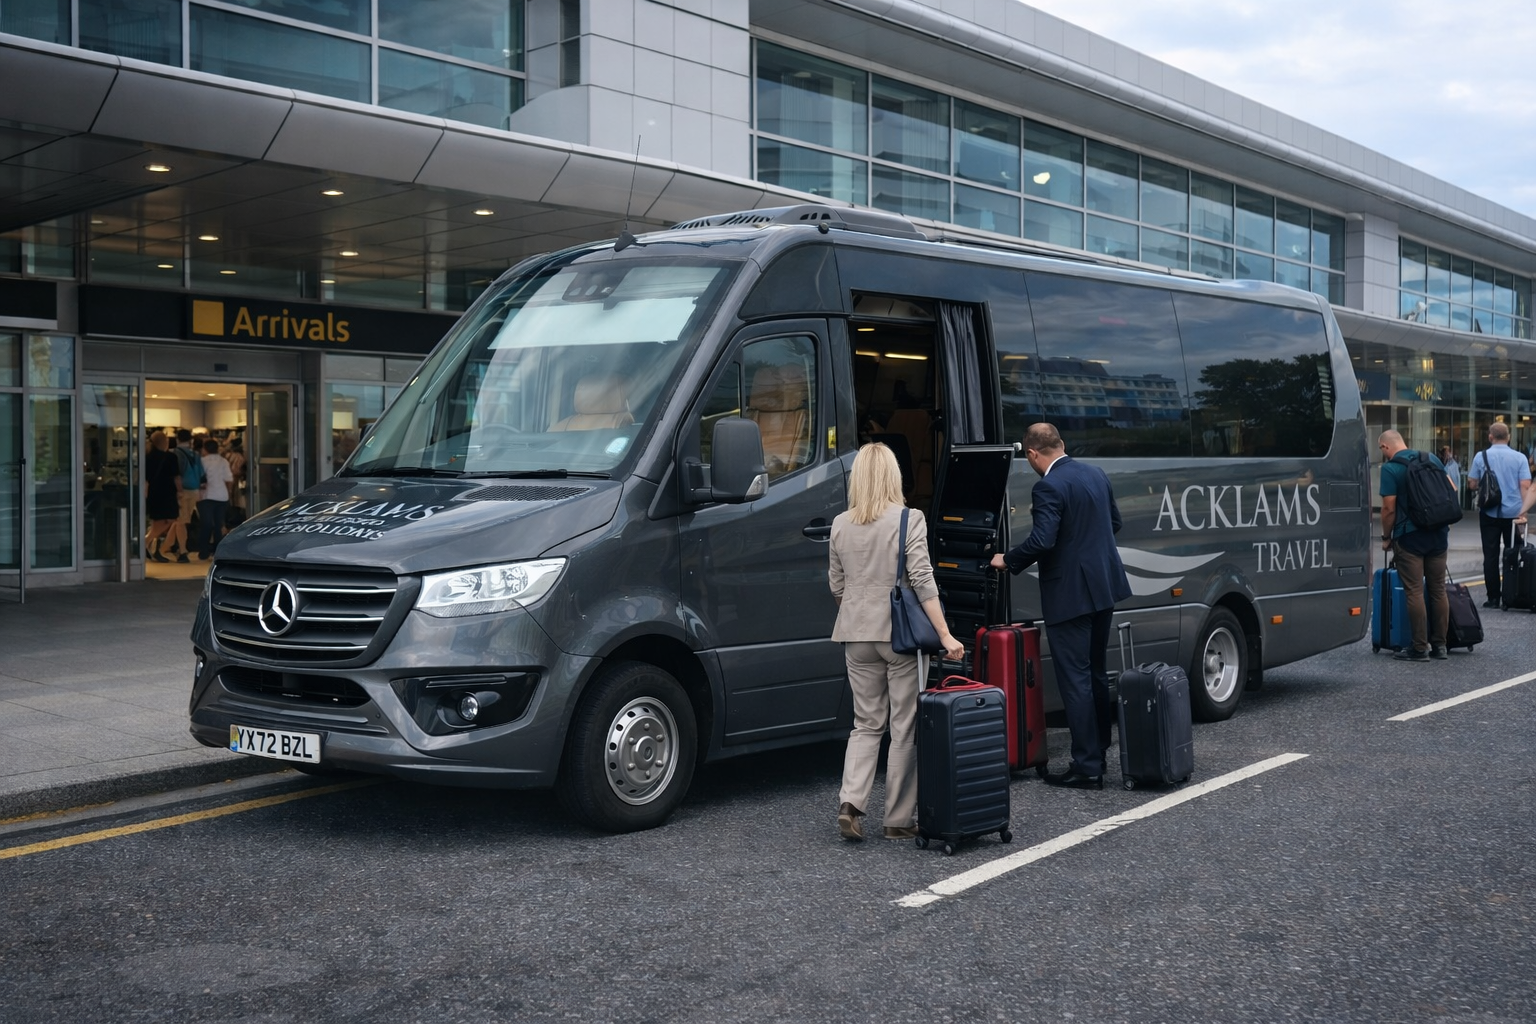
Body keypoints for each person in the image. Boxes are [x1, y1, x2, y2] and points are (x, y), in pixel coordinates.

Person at [828, 442, 964, 842]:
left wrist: (859, 611)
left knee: (866, 724)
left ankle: (850, 804)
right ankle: (898, 819)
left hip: (856, 634)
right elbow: (921, 579)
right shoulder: (909, 518)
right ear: (893, 476)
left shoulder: (840, 523)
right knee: (904, 727)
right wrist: (945, 634)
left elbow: (837, 586)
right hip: (900, 637)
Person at [990, 422, 1131, 790]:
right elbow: (1114, 523)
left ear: (1032, 453)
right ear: (1062, 444)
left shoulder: (1048, 486)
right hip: (1103, 589)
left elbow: (1043, 540)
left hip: (1070, 595)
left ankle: (1087, 767)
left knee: (1075, 680)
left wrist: (1008, 559)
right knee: (1095, 673)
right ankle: (1098, 752)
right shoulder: (1095, 474)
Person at [1377, 431, 1451, 661]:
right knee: (1438, 589)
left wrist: (1386, 537)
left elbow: (1388, 509)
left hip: (1409, 536)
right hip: (1438, 533)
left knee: (1415, 591)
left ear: (1385, 447)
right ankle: (1440, 646)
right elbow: (1452, 489)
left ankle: (1420, 648)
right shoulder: (1431, 458)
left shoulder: (1390, 469)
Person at [1467, 422, 1533, 608]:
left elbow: (1472, 483)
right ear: (1508, 437)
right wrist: (1524, 513)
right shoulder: (1520, 457)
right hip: (1514, 513)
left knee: (1490, 555)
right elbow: (1525, 486)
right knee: (1515, 553)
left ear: (1490, 437)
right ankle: (1514, 594)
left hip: (1489, 512)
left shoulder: (1481, 456)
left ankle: (1493, 597)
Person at [142, 431, 180, 563]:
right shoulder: (171, 457)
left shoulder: (148, 457)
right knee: (170, 518)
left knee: (157, 520)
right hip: (167, 491)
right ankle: (146, 541)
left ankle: (149, 544)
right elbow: (176, 477)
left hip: (153, 491)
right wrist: (180, 491)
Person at [196, 438, 234, 560]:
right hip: (222, 496)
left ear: (205, 449)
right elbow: (229, 479)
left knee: (206, 524)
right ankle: (217, 551)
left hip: (205, 496)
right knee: (219, 524)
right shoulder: (223, 461)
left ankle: (204, 551)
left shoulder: (201, 461)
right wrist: (228, 493)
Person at [170, 428, 201, 564]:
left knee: (180, 521)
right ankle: (171, 546)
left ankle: (182, 551)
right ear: (190, 440)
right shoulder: (195, 454)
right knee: (183, 520)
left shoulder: (175, 453)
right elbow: (201, 473)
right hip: (195, 490)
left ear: (177, 439)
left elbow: (177, 474)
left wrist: (178, 490)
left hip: (182, 490)